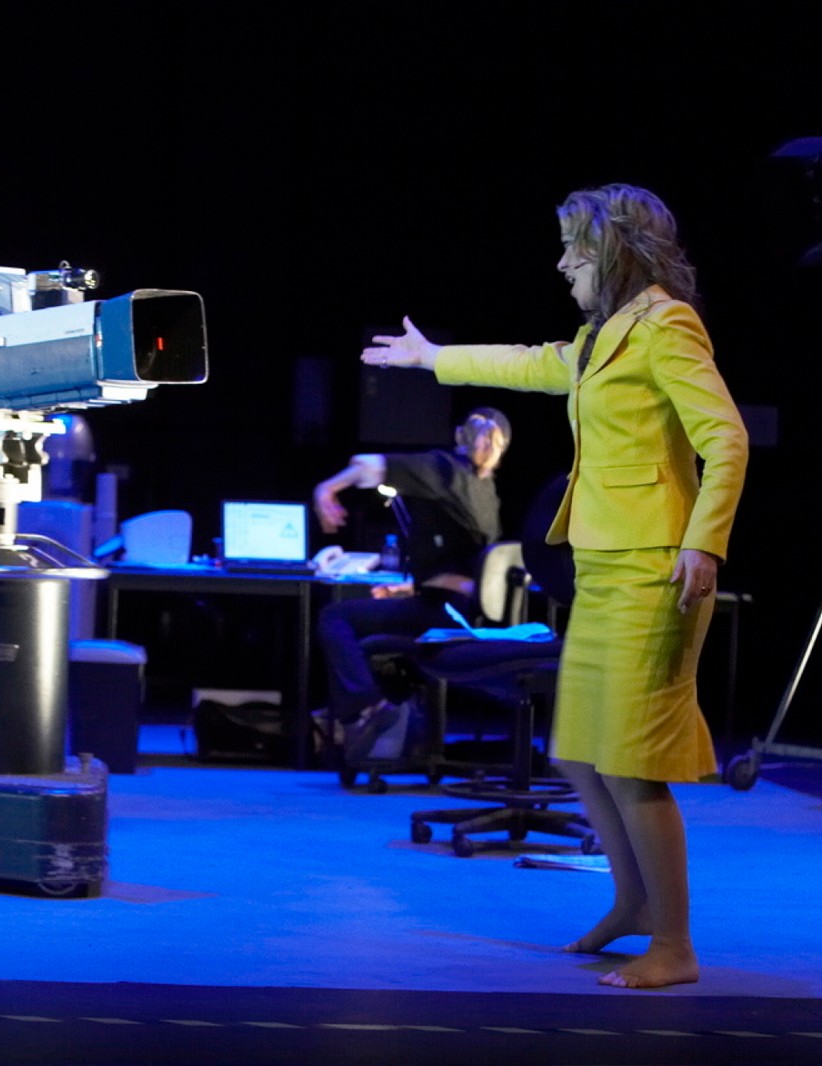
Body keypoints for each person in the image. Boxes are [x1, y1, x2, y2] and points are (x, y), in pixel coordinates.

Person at [361, 184, 747, 989]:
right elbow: (536, 365)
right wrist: (433, 360)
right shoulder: (605, 334)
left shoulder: (666, 324)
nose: (562, 260)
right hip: (606, 567)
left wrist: (704, 545)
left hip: (657, 566)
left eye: (575, 246)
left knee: (631, 761)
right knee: (579, 752)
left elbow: (727, 439)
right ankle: (633, 906)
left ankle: (674, 946)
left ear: (611, 251)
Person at [312, 408, 510, 764]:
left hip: (443, 613)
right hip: (459, 611)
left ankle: (367, 706)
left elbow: (369, 465)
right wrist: (405, 591)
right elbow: (469, 568)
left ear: (457, 435)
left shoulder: (444, 469)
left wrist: (326, 489)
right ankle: (364, 716)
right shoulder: (487, 492)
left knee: (334, 617)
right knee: (363, 623)